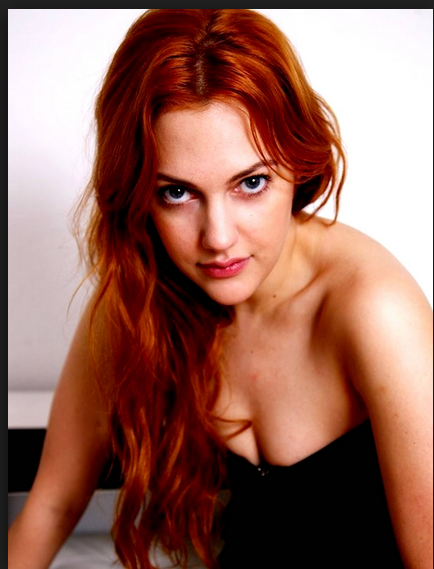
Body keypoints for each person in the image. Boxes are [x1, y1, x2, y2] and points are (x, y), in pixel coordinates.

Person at [8, 8, 432, 569]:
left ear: (297, 163)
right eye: (177, 193)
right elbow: (52, 506)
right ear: (138, 194)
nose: (218, 238)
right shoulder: (139, 300)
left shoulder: (375, 311)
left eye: (250, 183)